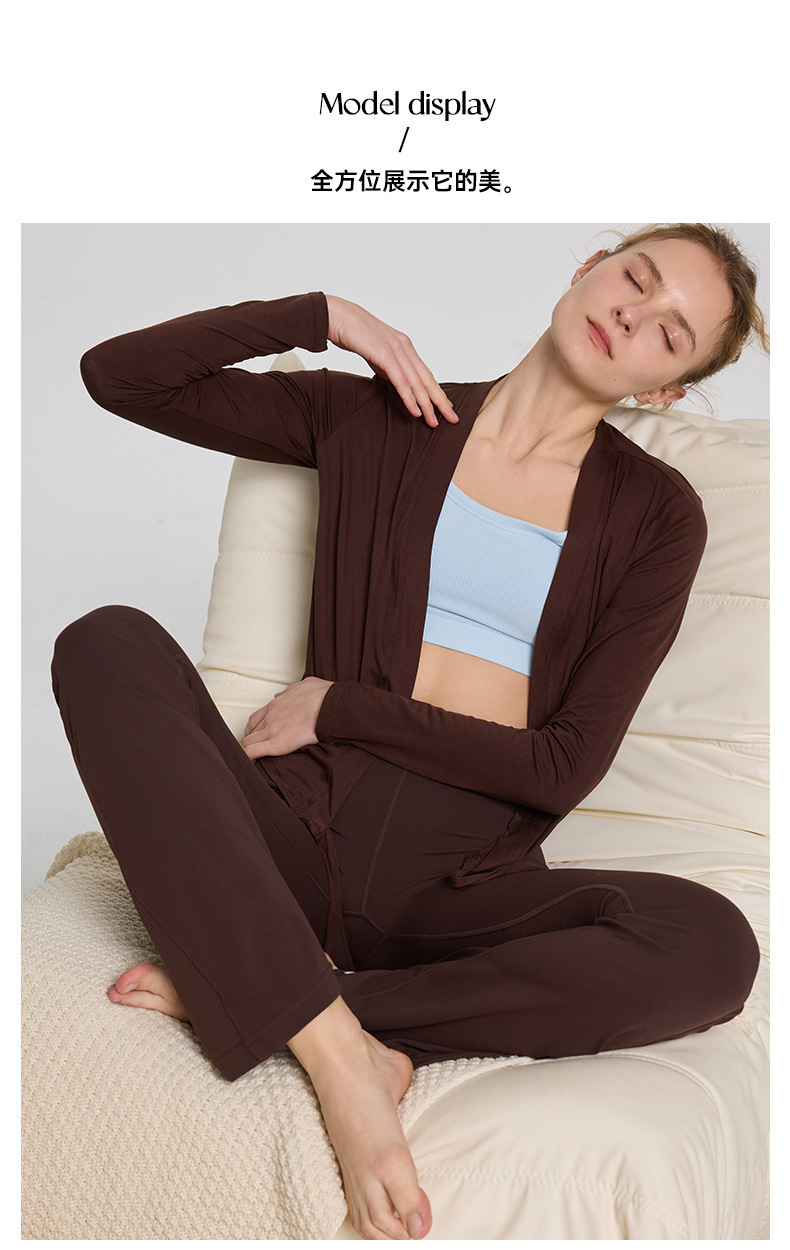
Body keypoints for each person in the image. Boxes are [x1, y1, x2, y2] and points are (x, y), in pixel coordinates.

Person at [52, 224, 768, 1241]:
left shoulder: (657, 516)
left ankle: (303, 997)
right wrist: (325, 316)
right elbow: (120, 376)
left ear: (665, 389)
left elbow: (562, 766)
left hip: (459, 890)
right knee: (105, 641)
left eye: (669, 332)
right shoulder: (376, 415)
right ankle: (340, 1050)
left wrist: (341, 706)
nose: (632, 314)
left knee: (712, 944)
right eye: (635, 278)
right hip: (290, 841)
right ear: (587, 270)